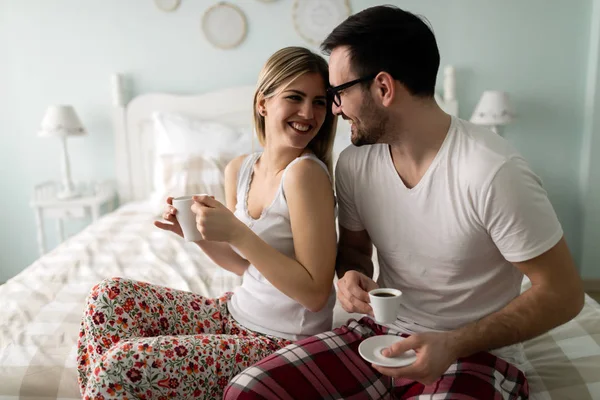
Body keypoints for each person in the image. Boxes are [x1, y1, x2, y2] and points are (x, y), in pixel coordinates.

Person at [224, 6, 585, 399]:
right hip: (381, 336)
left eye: (338, 93)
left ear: (383, 88)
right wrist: (349, 277)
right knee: (248, 390)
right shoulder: (354, 164)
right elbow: (356, 253)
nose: (335, 110)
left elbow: (563, 293)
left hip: (474, 355)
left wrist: (454, 342)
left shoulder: (493, 172)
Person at [76, 46, 338, 399]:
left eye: (319, 102)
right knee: (108, 297)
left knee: (121, 365)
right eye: (295, 97)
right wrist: (197, 236)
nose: (308, 113)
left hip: (280, 341)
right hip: (234, 313)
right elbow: (243, 265)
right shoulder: (241, 169)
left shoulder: (306, 175)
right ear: (263, 103)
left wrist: (236, 232)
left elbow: (316, 294)